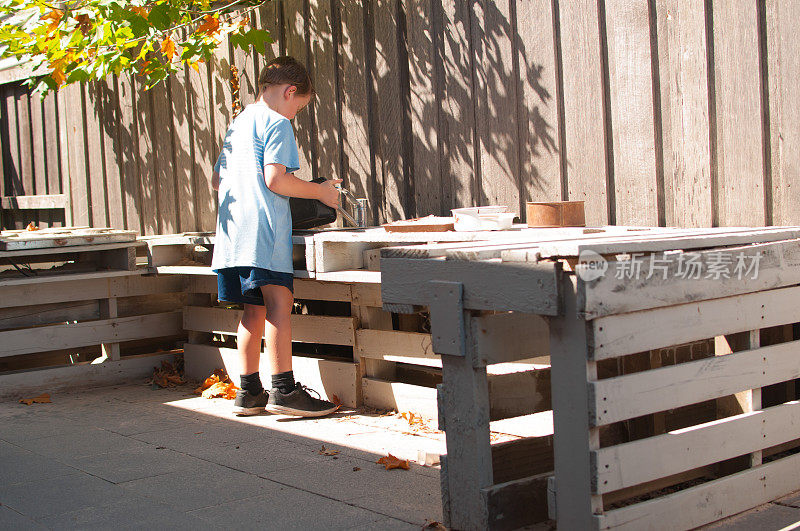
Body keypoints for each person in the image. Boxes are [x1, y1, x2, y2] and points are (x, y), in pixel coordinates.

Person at [211, 56, 341, 417]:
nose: (294, 115)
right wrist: (320, 193)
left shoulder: (237, 124)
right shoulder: (278, 123)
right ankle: (284, 390)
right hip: (264, 233)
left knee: (251, 310)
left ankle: (249, 392)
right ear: (290, 91)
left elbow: (217, 182)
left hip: (232, 235)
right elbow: (275, 179)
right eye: (298, 108)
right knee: (279, 305)